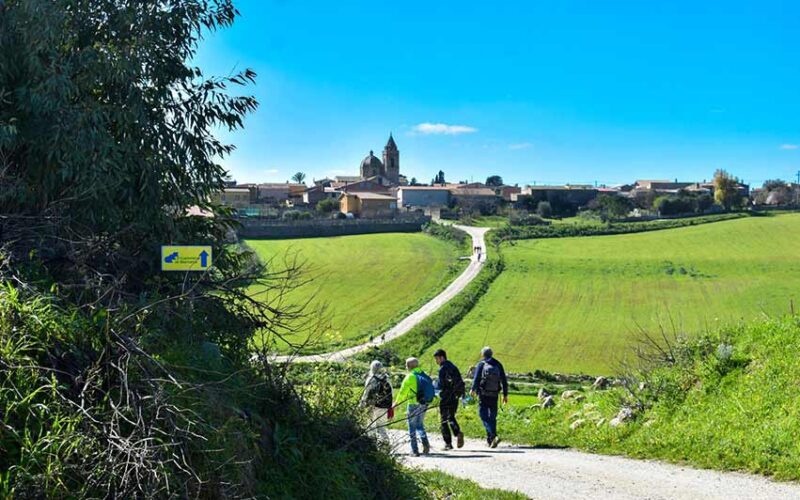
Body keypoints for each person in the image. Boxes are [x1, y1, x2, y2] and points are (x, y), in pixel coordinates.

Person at [394, 357, 433, 456]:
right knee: (420, 425)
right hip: (424, 403)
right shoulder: (424, 375)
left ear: (409, 366)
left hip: (413, 404)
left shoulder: (410, 377)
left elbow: (402, 392)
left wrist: (396, 403)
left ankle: (414, 450)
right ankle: (425, 443)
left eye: (406, 365)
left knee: (412, 427)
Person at [470, 346, 508, 448]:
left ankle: (493, 435)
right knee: (492, 417)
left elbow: (477, 378)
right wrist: (505, 395)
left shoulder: (481, 364)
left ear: (483, 354)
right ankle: (490, 440)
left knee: (483, 416)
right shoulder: (498, 364)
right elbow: (504, 380)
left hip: (483, 395)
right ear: (492, 354)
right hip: (494, 395)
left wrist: (472, 389)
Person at [433, 349, 465, 450]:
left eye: (437, 359)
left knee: (443, 420)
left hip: (446, 396)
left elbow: (441, 385)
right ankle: (458, 432)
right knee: (451, 417)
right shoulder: (454, 367)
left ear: (442, 357)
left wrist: (434, 385)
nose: (436, 361)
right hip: (455, 395)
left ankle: (448, 443)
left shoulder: (442, 369)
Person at [359, 360, 393, 443]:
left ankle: (372, 444)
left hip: (371, 405)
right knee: (382, 426)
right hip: (384, 405)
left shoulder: (370, 379)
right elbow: (391, 392)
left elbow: (366, 393)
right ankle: (385, 444)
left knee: (371, 426)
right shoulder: (387, 378)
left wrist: (362, 404)